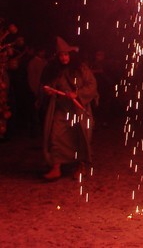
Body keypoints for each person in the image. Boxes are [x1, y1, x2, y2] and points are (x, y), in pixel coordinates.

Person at [42, 37, 98, 181]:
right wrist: (49, 90)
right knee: (56, 134)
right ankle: (56, 167)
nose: (64, 58)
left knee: (81, 136)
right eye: (61, 55)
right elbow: (51, 85)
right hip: (62, 108)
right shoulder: (55, 70)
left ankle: (81, 166)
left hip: (78, 108)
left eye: (66, 55)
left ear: (70, 55)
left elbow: (92, 85)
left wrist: (77, 94)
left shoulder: (81, 69)